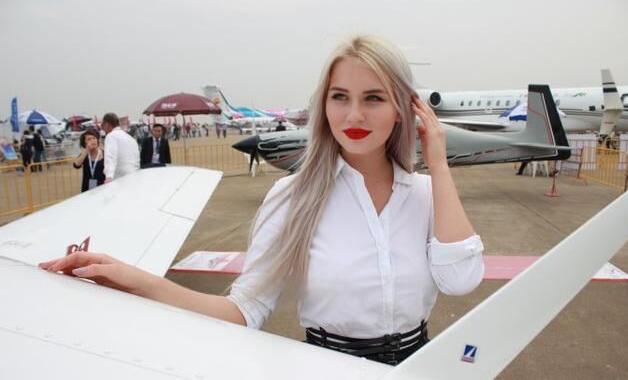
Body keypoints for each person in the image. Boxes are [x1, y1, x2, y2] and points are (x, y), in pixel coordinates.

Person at [39, 36, 483, 365]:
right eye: (340, 97)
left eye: (373, 98)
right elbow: (245, 310)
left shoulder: (425, 195)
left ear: (404, 108)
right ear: (324, 106)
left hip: (420, 366)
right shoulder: (294, 197)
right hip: (328, 368)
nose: (353, 115)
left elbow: (460, 280)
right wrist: (136, 280)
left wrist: (438, 165)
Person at [101, 112, 140, 183]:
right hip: (133, 175)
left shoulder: (111, 136)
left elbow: (110, 157)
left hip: (119, 178)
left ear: (107, 124)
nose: (103, 128)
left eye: (103, 125)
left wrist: (109, 176)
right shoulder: (130, 138)